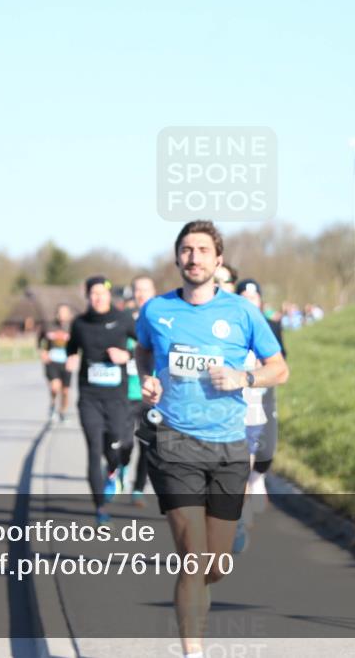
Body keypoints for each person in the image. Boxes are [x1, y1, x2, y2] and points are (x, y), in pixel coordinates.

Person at [135, 220, 289, 658]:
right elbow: (143, 350)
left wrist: (244, 376)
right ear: (177, 257)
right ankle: (192, 651)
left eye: (203, 250)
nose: (194, 257)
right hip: (174, 442)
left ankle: (199, 591)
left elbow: (279, 368)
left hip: (228, 446)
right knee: (192, 556)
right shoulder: (156, 311)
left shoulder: (242, 313)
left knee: (215, 565)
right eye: (186, 249)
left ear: (218, 261)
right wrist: (147, 378)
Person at [65, 276, 136, 525]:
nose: (98, 298)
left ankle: (114, 470)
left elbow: (144, 346)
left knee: (117, 446)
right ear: (88, 296)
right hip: (89, 398)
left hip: (117, 398)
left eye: (102, 293)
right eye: (93, 293)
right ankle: (100, 507)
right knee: (94, 450)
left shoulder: (123, 319)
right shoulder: (80, 324)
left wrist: (127, 355)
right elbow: (71, 347)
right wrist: (71, 357)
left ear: (109, 295)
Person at [235, 278, 286, 540]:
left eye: (253, 297)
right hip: (234, 404)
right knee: (239, 463)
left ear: (260, 301)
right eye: (243, 296)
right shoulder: (229, 327)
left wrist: (260, 372)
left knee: (263, 453)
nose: (248, 301)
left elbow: (280, 363)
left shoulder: (272, 326)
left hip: (261, 397)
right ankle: (241, 514)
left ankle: (256, 481)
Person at [127, 274, 158, 508]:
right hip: (125, 393)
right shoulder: (123, 320)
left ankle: (137, 489)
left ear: (153, 292)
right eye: (137, 290)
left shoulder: (161, 321)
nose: (141, 295)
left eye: (145, 290)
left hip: (151, 395)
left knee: (146, 444)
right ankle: (116, 469)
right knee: (123, 444)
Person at [38, 303, 74, 423]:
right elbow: (39, 340)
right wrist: (42, 351)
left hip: (66, 363)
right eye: (60, 312)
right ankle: (53, 405)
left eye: (65, 313)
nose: (62, 315)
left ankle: (62, 411)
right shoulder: (49, 326)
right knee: (54, 387)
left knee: (65, 391)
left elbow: (79, 344)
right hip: (52, 362)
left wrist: (75, 358)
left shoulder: (73, 327)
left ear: (69, 315)